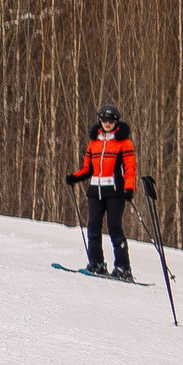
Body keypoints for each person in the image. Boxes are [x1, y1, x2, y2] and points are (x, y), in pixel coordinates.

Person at [64, 104, 138, 279]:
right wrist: (74, 177)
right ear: (100, 121)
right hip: (95, 191)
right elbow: (88, 169)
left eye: (110, 120)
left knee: (114, 227)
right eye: (104, 120)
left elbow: (130, 168)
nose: (107, 123)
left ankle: (123, 267)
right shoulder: (94, 142)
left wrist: (129, 188)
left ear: (116, 122)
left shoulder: (124, 143)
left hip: (114, 192)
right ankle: (96, 263)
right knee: (93, 228)